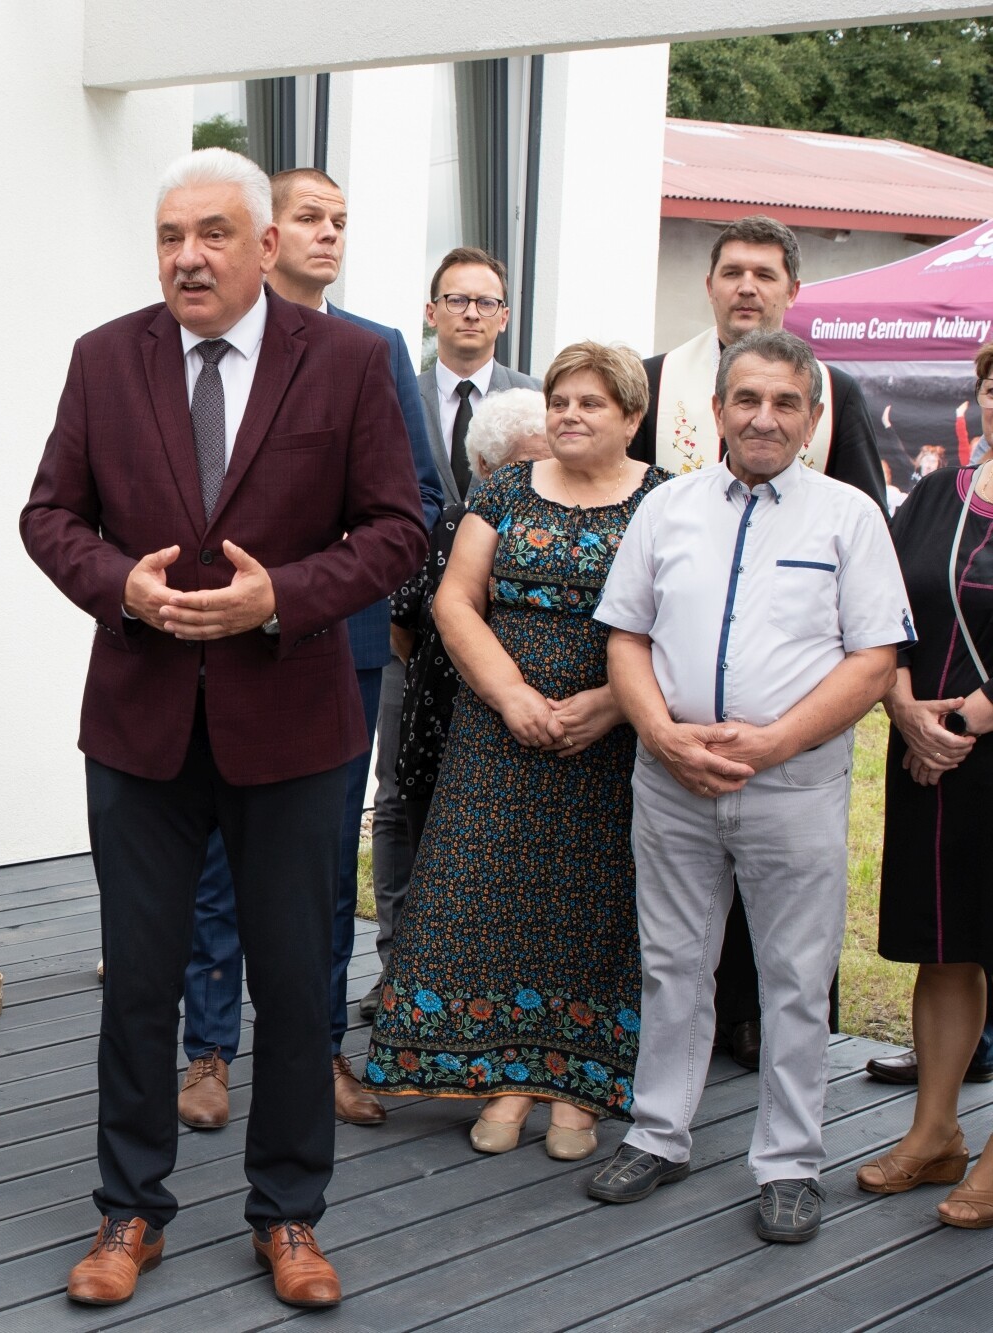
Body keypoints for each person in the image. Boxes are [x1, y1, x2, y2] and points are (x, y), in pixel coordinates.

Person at [20, 147, 426, 1310]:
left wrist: (280, 597)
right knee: (137, 984)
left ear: (264, 245)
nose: (186, 257)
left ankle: (287, 1215)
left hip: (292, 722)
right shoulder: (105, 358)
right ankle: (127, 1209)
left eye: (210, 234)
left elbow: (397, 528)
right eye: (168, 236)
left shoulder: (348, 361)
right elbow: (48, 516)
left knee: (294, 984)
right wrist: (119, 585)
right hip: (139, 724)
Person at [588, 329, 911, 1244]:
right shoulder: (667, 508)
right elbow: (626, 637)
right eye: (747, 399)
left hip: (794, 784)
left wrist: (771, 743)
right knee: (671, 964)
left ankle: (790, 1162)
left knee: (796, 978)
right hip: (672, 778)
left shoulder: (850, 517)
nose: (764, 417)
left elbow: (874, 658)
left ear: (812, 418)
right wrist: (662, 735)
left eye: (784, 402)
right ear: (718, 410)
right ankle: (658, 1133)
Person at [172, 166, 442, 1136]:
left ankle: (319, 1049)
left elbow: (414, 500)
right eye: (309, 218)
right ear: (266, 236)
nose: (329, 234)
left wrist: (298, 590)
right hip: (206, 642)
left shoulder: (371, 350)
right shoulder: (193, 347)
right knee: (212, 853)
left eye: (340, 221)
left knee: (324, 862)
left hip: (338, 646)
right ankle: (207, 1050)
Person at [366, 344, 663, 1160]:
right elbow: (455, 602)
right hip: (498, 734)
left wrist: (612, 704)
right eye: (560, 400)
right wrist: (511, 696)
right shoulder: (503, 489)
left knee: (591, 904)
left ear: (632, 417)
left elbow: (684, 617)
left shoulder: (667, 500)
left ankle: (577, 1088)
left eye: (591, 403)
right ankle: (504, 1077)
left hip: (610, 740)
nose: (569, 414)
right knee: (488, 895)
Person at [632, 214, 889, 1071]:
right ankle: (668, 1068)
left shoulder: (834, 394)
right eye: (733, 270)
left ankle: (752, 1028)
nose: (747, 286)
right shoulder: (658, 379)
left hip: (792, 727)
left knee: (789, 934)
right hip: (669, 709)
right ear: (709, 284)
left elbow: (866, 552)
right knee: (674, 922)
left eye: (766, 273)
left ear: (792, 290)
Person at [363, 249, 543, 1017]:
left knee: (489, 800)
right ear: (430, 311)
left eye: (486, 301)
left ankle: (477, 968)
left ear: (504, 316)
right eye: (456, 299)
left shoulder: (539, 401)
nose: (471, 313)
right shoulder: (388, 390)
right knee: (399, 793)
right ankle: (397, 964)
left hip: (505, 639)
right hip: (401, 631)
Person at [858, 450, 993, 1228]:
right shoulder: (941, 491)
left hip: (963, 740)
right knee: (946, 944)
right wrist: (905, 708)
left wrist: (963, 720)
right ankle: (935, 1131)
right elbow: (885, 605)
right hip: (927, 754)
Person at [389, 388, 551, 864]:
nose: (538, 478)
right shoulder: (446, 526)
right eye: (523, 465)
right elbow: (402, 625)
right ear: (484, 466)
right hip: (442, 726)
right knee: (436, 866)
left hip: (537, 728)